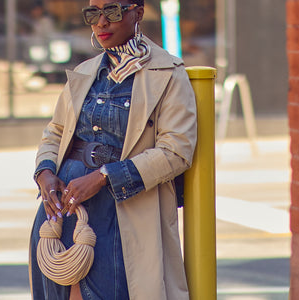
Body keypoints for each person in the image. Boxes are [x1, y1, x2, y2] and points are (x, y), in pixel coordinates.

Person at [29, 0, 197, 299]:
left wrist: (103, 177)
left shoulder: (169, 73)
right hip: (61, 212)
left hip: (121, 215)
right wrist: (44, 172)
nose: (102, 22)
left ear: (139, 13)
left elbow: (176, 151)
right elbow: (54, 132)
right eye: (93, 13)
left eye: (113, 11)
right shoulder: (85, 72)